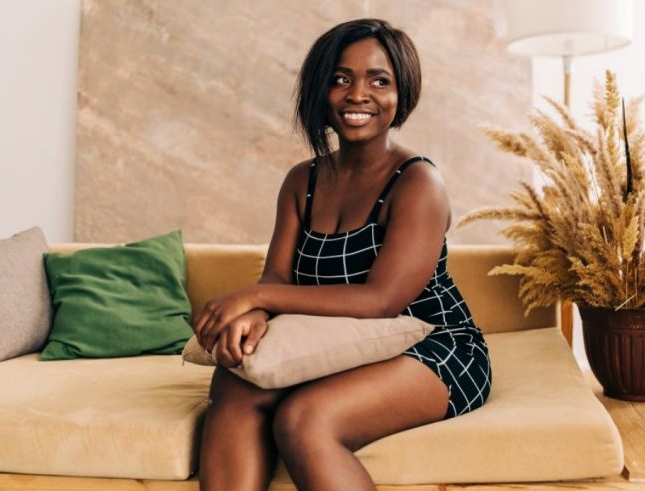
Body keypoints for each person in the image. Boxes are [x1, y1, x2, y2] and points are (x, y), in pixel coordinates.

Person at [193, 18, 491, 491]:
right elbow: (278, 274)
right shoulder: (301, 181)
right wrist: (257, 309)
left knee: (304, 418)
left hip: (434, 345)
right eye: (340, 78)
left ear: (402, 94)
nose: (358, 94)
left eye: (379, 80)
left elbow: (382, 301)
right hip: (340, 343)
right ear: (321, 91)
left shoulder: (418, 183)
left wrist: (252, 297)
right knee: (235, 381)